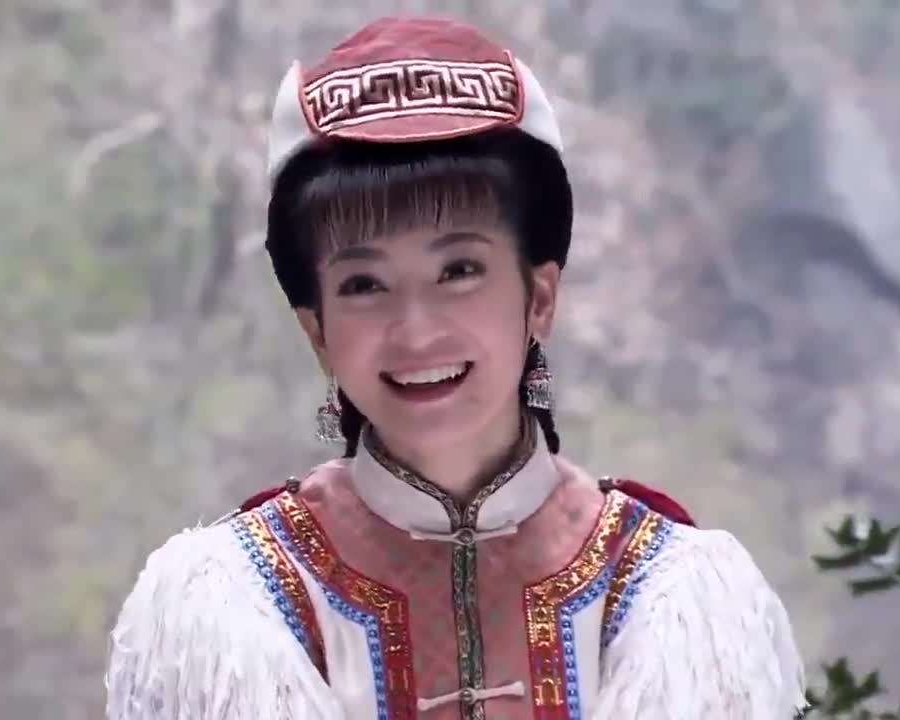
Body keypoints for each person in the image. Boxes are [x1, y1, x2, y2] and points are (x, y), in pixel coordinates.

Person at [105, 16, 806, 720]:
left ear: (538, 297)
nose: (416, 329)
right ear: (317, 330)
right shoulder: (236, 601)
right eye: (363, 284)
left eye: (459, 270)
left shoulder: (669, 593)